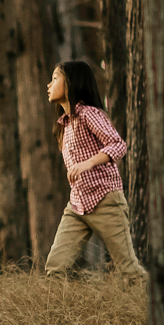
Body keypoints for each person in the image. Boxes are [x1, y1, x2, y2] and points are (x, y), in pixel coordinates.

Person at [43, 59, 145, 281]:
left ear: (69, 83)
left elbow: (119, 145)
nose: (49, 85)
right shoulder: (64, 124)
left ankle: (159, 310)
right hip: (77, 206)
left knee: (130, 271)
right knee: (55, 268)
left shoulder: (89, 114)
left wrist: (88, 163)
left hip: (105, 200)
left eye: (54, 78)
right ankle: (56, 314)